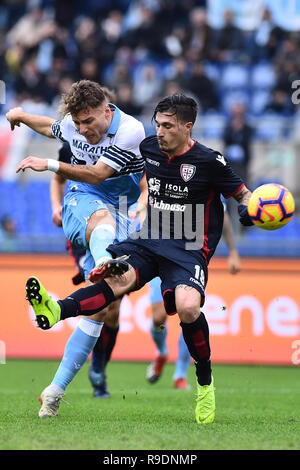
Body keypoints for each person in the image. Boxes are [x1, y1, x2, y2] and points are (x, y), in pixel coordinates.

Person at [21, 94, 253, 424]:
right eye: (157, 124)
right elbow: (106, 164)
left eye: (168, 126)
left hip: (188, 248)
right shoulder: (147, 149)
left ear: (187, 127)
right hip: (148, 239)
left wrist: (249, 208)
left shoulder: (210, 160)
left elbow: (243, 195)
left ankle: (204, 384)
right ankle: (57, 308)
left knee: (187, 308)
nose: (159, 132)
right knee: (115, 281)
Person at [9, 79, 146, 414]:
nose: (83, 130)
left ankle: (54, 392)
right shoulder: (73, 125)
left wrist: (49, 163)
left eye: (89, 122)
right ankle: (104, 260)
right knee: (103, 222)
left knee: (100, 305)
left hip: (118, 209)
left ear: (106, 110)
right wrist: (22, 115)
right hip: (80, 202)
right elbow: (52, 127)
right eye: (78, 123)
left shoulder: (131, 130)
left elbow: (100, 173)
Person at [146, 208, 241, 389]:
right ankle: (161, 352)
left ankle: (180, 375)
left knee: (188, 312)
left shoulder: (206, 183)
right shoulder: (166, 181)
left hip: (191, 257)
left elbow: (223, 215)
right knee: (158, 317)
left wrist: (233, 251)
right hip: (162, 254)